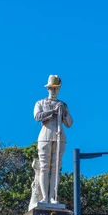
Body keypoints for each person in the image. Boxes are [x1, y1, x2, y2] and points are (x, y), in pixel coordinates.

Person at [34, 75, 73, 204]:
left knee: (55, 167)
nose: (54, 91)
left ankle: (52, 197)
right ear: (48, 88)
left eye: (57, 88)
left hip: (59, 136)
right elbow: (37, 116)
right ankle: (45, 197)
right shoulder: (40, 103)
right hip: (45, 135)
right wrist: (53, 111)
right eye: (52, 88)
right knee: (44, 167)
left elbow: (69, 123)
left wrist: (64, 112)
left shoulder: (63, 104)